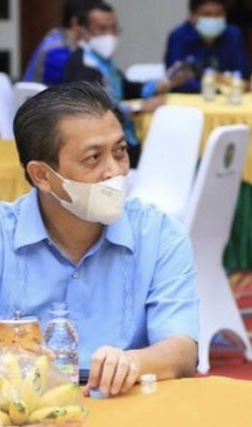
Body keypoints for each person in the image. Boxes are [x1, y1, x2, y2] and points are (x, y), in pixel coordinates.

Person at [0, 81, 199, 397]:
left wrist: (132, 362)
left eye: (120, 152)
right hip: (22, 414)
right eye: (93, 158)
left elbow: (183, 351)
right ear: (42, 175)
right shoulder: (4, 235)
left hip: (124, 408)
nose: (114, 172)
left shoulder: (160, 234)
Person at [63, 1, 187, 168]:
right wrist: (139, 108)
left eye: (114, 29)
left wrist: (157, 86)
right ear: (82, 32)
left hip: (120, 137)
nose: (110, 35)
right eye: (102, 29)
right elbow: (94, 111)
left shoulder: (103, 61)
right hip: (100, 147)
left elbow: (124, 87)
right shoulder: (84, 65)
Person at [164, 0, 251, 93]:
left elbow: (243, 75)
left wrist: (219, 80)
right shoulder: (179, 37)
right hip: (192, 96)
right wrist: (217, 85)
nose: (213, 19)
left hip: (229, 97)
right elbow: (176, 80)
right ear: (192, 16)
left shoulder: (233, 35)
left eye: (218, 14)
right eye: (207, 14)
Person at [22, 0, 100, 85]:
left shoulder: (60, 38)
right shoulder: (56, 50)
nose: (106, 35)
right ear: (76, 23)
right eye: (100, 28)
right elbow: (76, 87)